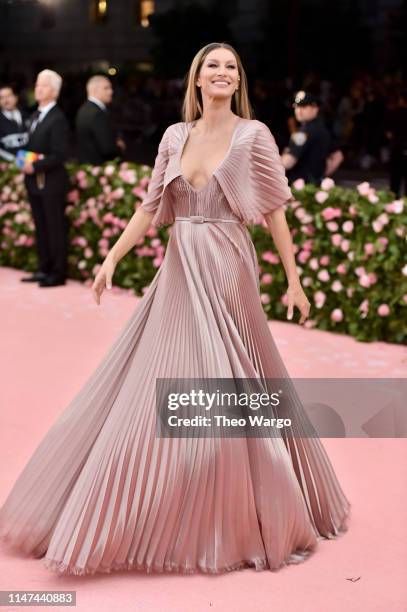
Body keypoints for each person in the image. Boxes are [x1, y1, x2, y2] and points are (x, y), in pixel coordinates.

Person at [0, 43, 350, 576]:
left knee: (234, 380)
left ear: (239, 80)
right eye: (213, 65)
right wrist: (112, 258)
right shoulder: (173, 136)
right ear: (196, 77)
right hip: (181, 269)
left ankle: (239, 512)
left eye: (231, 67)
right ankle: (164, 505)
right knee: (162, 377)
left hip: (232, 268)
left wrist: (295, 282)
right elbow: (151, 208)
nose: (223, 73)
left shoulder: (254, 136)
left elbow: (276, 213)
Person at [20, 69, 70, 287]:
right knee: (40, 226)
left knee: (54, 227)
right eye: (37, 84)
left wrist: (36, 165)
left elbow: (60, 154)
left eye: (43, 85)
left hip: (51, 183)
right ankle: (44, 268)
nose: (37, 88)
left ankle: (57, 273)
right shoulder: (34, 115)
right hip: (34, 181)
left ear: (54, 91)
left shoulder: (58, 118)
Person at [282, 91, 333, 184]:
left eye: (304, 107)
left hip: (301, 188)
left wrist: (272, 162)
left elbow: (289, 161)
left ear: (315, 108)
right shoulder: (323, 128)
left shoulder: (304, 132)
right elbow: (338, 156)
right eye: (296, 107)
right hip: (314, 186)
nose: (299, 110)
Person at [75, 75, 125, 164]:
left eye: (110, 88)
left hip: (86, 166)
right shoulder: (97, 113)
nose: (111, 91)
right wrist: (120, 147)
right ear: (94, 90)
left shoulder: (83, 109)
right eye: (106, 88)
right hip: (99, 166)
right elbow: (107, 149)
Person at [0, 85, 29, 157]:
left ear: (16, 97)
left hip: (30, 163)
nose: (5, 100)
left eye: (8, 96)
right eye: (1, 98)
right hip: (8, 165)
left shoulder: (28, 116)